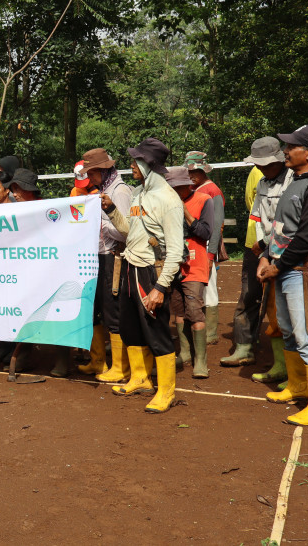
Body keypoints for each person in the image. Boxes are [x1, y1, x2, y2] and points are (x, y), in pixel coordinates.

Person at [258, 125, 308, 426]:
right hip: (284, 268)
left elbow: (307, 237)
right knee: (290, 331)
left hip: (302, 270)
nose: (285, 151)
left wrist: (278, 266)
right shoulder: (297, 179)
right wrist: (267, 255)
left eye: (291, 147)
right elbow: (281, 228)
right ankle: (298, 386)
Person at [103, 138, 184, 413]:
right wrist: (111, 210)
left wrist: (160, 288)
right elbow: (130, 231)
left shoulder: (168, 199)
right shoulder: (139, 193)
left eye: (136, 161)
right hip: (129, 266)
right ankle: (140, 378)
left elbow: (175, 251)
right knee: (130, 327)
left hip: (151, 272)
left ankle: (166, 391)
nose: (131, 165)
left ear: (149, 164)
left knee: (157, 331)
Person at [223, 138, 292, 384]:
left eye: (264, 163)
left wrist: (268, 249)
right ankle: (280, 367)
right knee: (272, 310)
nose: (261, 168)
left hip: (292, 257)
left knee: (292, 315)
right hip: (267, 251)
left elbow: (291, 223)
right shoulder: (262, 181)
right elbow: (262, 219)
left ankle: (297, 374)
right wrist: (264, 251)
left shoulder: (295, 180)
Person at [80, 149, 133, 382]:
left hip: (114, 256)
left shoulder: (119, 192)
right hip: (101, 256)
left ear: (103, 171)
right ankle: (98, 361)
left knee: (112, 310)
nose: (89, 179)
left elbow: (126, 231)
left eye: (91, 173)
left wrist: (100, 225)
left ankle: (120, 367)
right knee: (97, 307)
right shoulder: (103, 191)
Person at [165, 166, 214, 378]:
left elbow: (205, 232)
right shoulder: (166, 203)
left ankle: (200, 361)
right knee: (177, 310)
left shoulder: (204, 200)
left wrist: (184, 212)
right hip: (173, 263)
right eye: (171, 188)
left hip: (195, 264)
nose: (175, 192)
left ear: (188, 185)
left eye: (178, 188)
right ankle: (185, 353)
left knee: (194, 310)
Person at [225, 160, 265, 369]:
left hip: (283, 244)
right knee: (249, 294)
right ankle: (244, 347)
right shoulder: (255, 172)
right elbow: (252, 202)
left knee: (283, 303)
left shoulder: (291, 174)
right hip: (254, 243)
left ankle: (286, 356)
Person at [184, 151, 225, 345]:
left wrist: (210, 254)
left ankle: (210, 332)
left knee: (209, 286)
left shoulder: (212, 190)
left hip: (207, 245)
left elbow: (216, 225)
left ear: (204, 170)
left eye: (196, 171)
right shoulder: (191, 188)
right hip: (192, 244)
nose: (192, 175)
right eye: (189, 171)